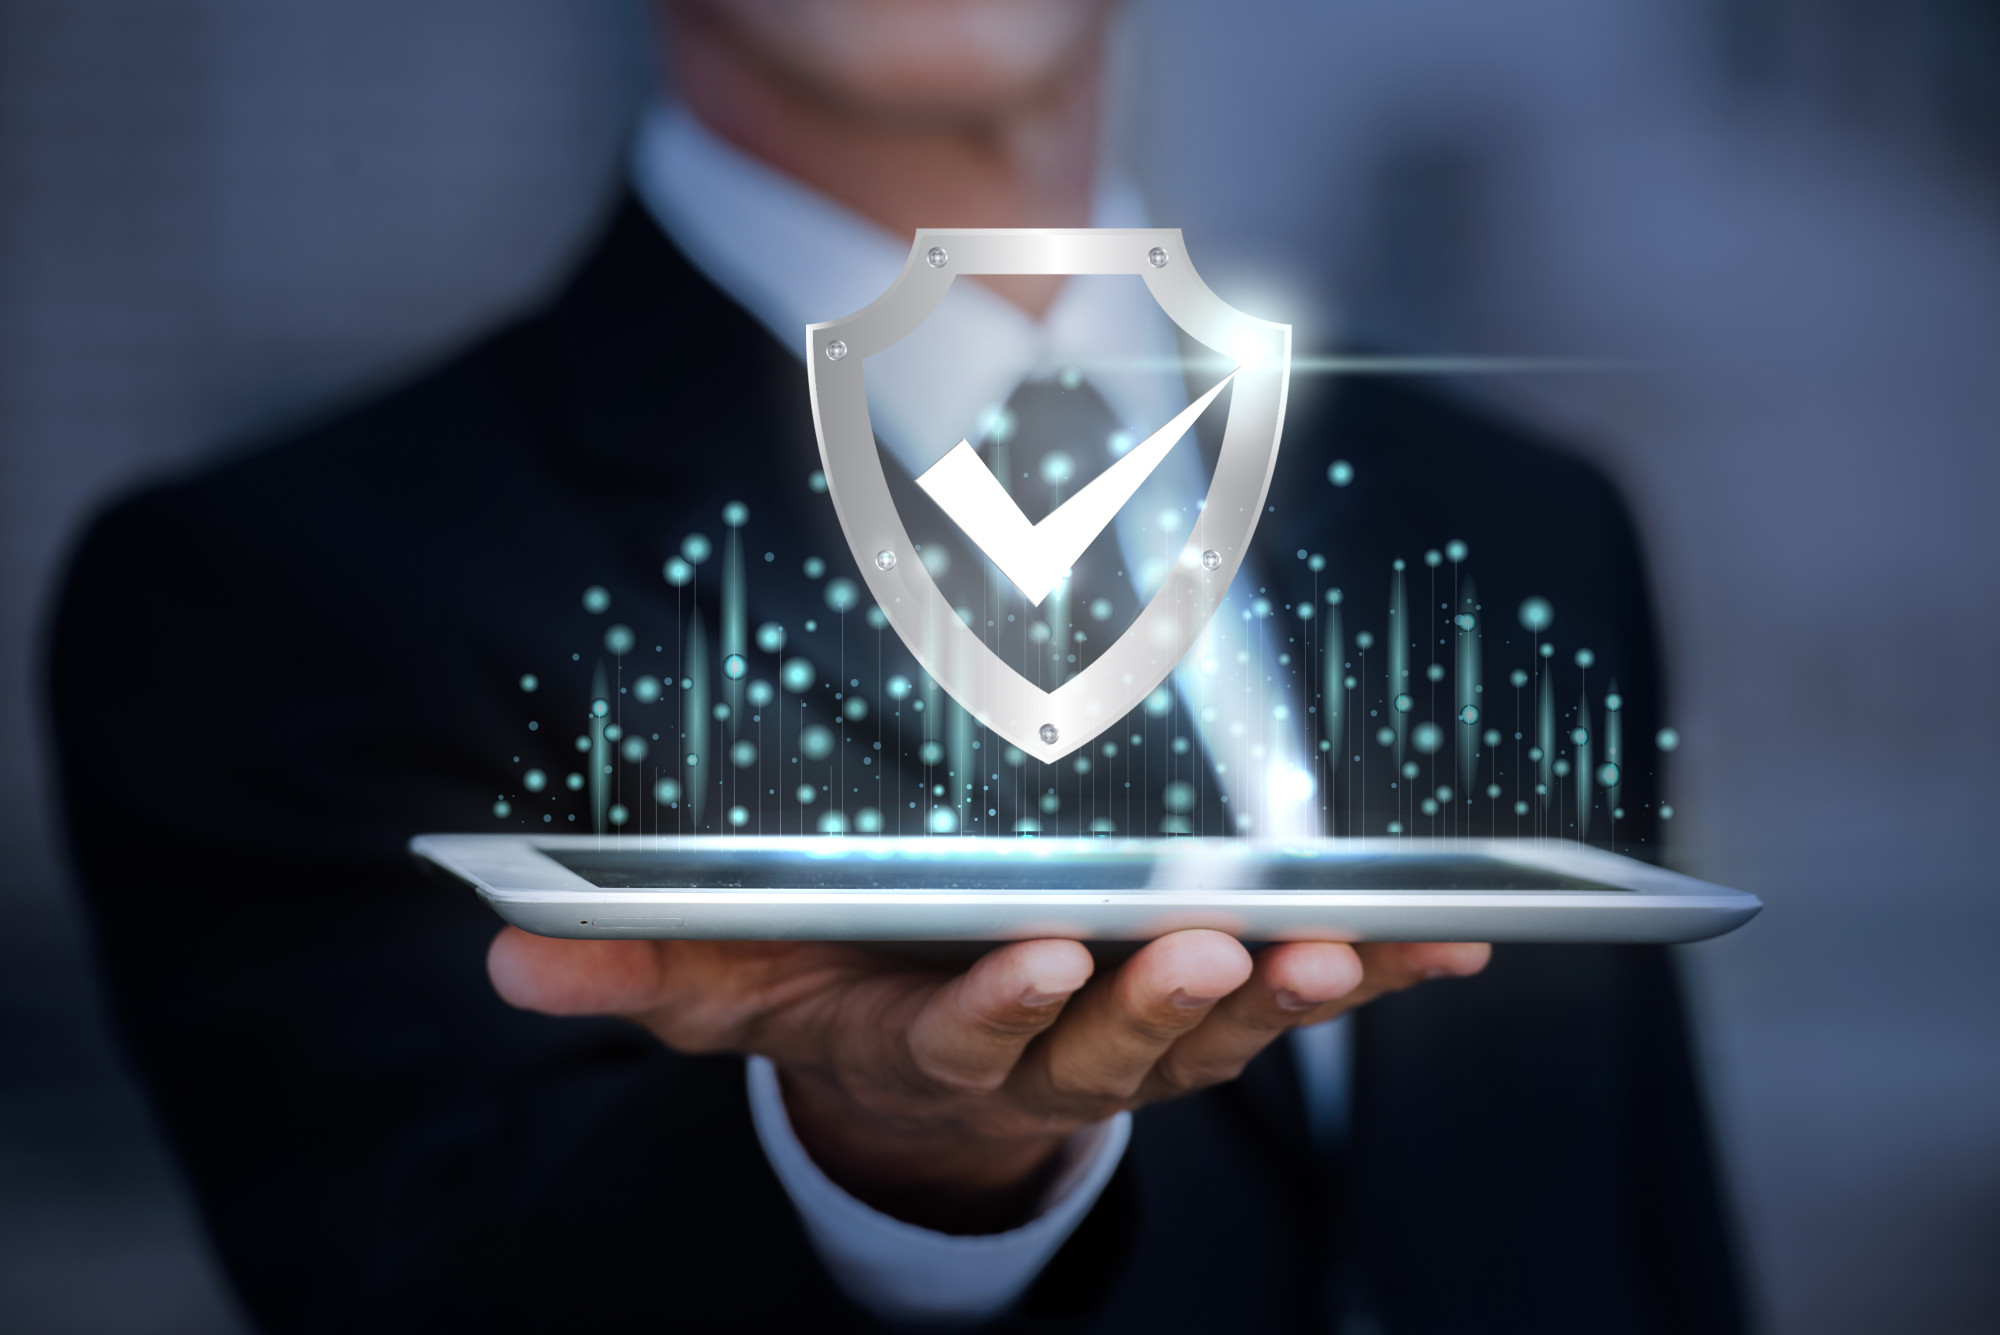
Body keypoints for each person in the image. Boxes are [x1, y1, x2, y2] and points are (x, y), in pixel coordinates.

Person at [48, 1, 1744, 1330]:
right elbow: (438, 1283)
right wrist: (887, 1166)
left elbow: (1642, 1235)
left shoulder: (1514, 519)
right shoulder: (279, 586)